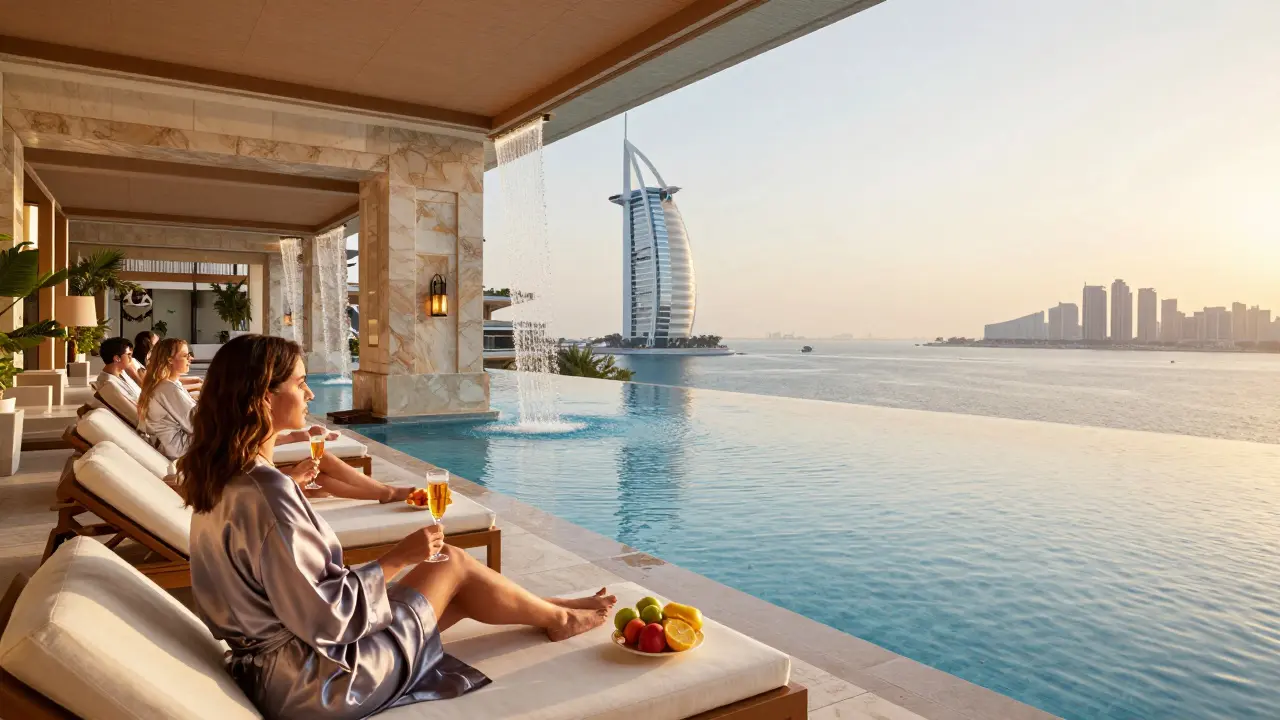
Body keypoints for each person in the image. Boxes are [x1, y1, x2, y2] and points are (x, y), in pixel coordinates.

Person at [182, 335, 614, 719]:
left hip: (272, 670)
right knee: (453, 566)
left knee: (452, 592)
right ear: (263, 397)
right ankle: (559, 617)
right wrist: (399, 556)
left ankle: (550, 605)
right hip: (319, 682)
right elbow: (330, 617)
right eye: (299, 383)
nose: (310, 392)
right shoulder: (266, 492)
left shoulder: (226, 479)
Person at [137, 338, 197, 458]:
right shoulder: (167, 389)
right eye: (185, 356)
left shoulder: (169, 384)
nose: (191, 359)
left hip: (176, 444)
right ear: (170, 360)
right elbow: (194, 424)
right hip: (180, 448)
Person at [96, 336, 141, 402]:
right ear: (117, 358)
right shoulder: (108, 383)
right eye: (128, 354)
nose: (131, 358)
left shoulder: (122, 373)